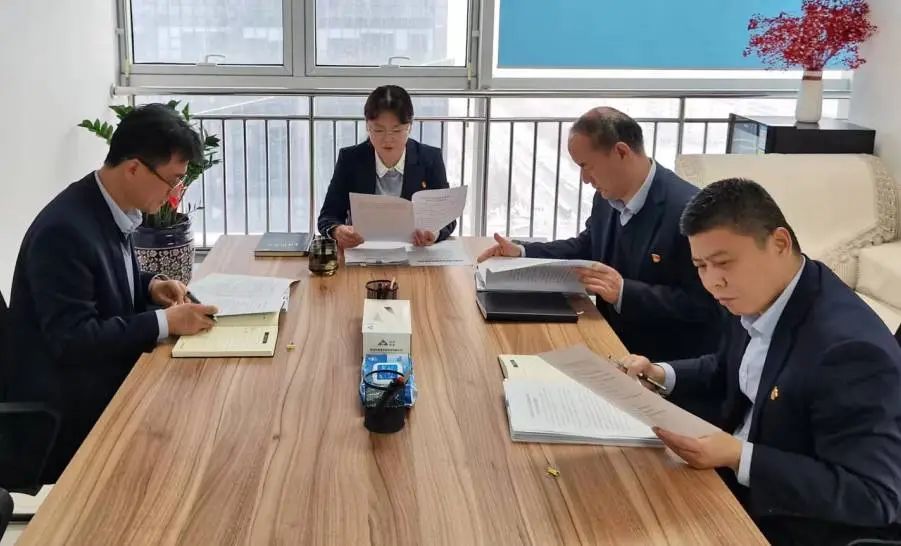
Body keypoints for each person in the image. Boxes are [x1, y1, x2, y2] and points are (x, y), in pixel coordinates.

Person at [621, 178, 901, 545]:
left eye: (723, 263)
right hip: (726, 475)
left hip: (786, 522)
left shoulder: (849, 352)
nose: (712, 282)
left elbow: (873, 496)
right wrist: (660, 374)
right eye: (700, 265)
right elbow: (730, 368)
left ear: (779, 243)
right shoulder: (763, 293)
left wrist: (740, 457)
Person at [3, 104, 219, 483]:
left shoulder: (108, 205)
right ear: (134, 168)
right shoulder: (64, 231)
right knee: (187, 438)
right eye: (172, 181)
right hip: (68, 408)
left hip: (101, 377)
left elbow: (101, 279)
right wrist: (165, 322)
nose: (175, 195)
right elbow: (73, 340)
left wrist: (151, 284)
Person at [477, 107, 721, 362]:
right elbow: (587, 246)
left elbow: (706, 305)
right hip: (607, 344)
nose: (584, 179)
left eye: (586, 166)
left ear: (621, 152)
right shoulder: (606, 197)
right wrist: (522, 251)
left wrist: (624, 292)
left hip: (662, 361)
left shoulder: (689, 211)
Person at [317, 85, 456, 248]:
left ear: (409, 126)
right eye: (378, 130)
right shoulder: (350, 159)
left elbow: (448, 218)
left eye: (396, 131)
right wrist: (337, 231)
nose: (388, 139)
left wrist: (434, 233)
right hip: (363, 251)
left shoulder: (430, 158)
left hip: (415, 251)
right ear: (367, 126)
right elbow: (328, 216)